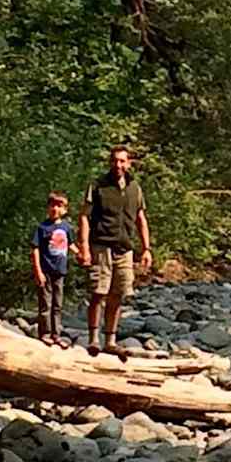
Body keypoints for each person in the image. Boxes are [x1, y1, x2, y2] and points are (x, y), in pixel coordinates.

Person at [78, 145, 152, 357]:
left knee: (117, 295)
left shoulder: (135, 188)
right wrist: (84, 246)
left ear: (129, 163)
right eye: (115, 161)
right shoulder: (98, 186)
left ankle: (110, 340)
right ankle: (93, 339)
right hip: (101, 244)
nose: (118, 165)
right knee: (98, 293)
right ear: (110, 162)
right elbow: (84, 216)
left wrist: (146, 248)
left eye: (122, 161)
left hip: (124, 248)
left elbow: (140, 218)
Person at [31, 191, 75, 348]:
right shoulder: (42, 228)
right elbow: (35, 249)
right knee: (46, 304)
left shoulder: (66, 227)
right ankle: (45, 333)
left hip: (60, 271)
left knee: (58, 305)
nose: (55, 208)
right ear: (48, 208)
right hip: (46, 270)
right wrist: (38, 271)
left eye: (59, 206)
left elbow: (70, 244)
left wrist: (82, 254)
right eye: (52, 205)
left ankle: (56, 334)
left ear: (65, 210)